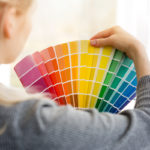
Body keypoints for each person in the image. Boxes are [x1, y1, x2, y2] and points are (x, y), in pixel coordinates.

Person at [0, 0, 150, 150]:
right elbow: (145, 128)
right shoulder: (29, 121)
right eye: (31, 15)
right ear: (10, 20)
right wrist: (139, 52)